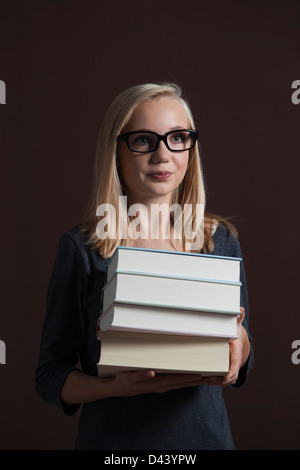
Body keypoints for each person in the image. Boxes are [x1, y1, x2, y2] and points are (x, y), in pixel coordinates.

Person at [35, 82, 253, 450]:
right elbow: (50, 377)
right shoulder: (84, 249)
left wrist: (240, 343)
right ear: (116, 150)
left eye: (177, 138)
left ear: (191, 147)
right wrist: (112, 388)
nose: (162, 155)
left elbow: (242, 353)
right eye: (143, 141)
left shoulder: (219, 241)